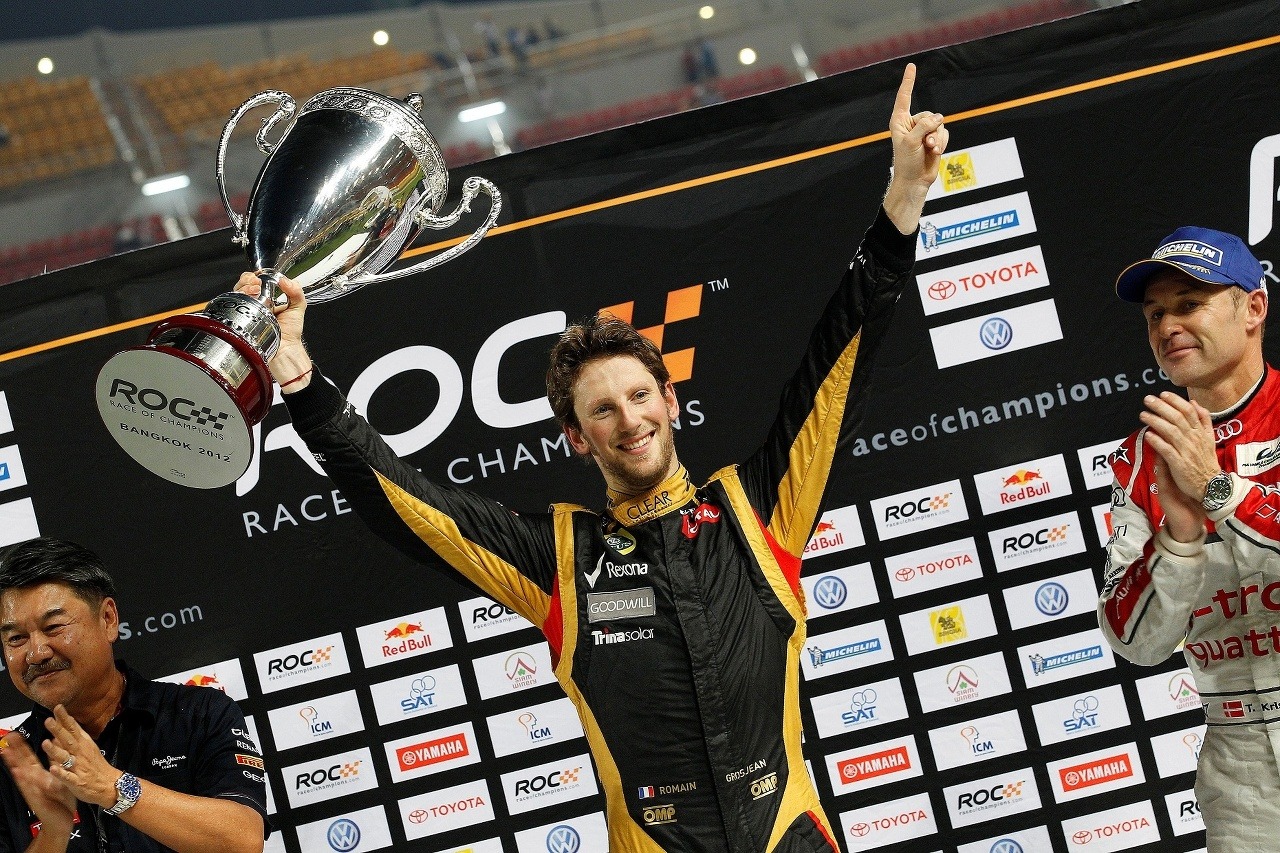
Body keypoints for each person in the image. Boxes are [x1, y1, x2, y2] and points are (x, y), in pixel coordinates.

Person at [237, 63, 946, 852]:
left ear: (670, 401)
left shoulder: (759, 511)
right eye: (602, 410)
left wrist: (903, 198)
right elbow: (406, 503)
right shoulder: (558, 562)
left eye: (640, 397)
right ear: (576, 436)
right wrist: (299, 378)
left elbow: (840, 360)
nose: (629, 420)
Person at [1097, 226, 1278, 852]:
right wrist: (1176, 540)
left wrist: (1217, 491)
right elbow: (1135, 642)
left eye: (1190, 303)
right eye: (1155, 314)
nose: (1168, 326)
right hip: (1241, 765)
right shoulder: (1141, 460)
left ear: (1253, 307)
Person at [0, 538, 268, 853]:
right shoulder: (9, 763)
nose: (36, 653)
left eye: (54, 627)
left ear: (108, 619)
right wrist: (54, 833)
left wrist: (113, 787)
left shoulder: (200, 713)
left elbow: (243, 840)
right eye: (16, 638)